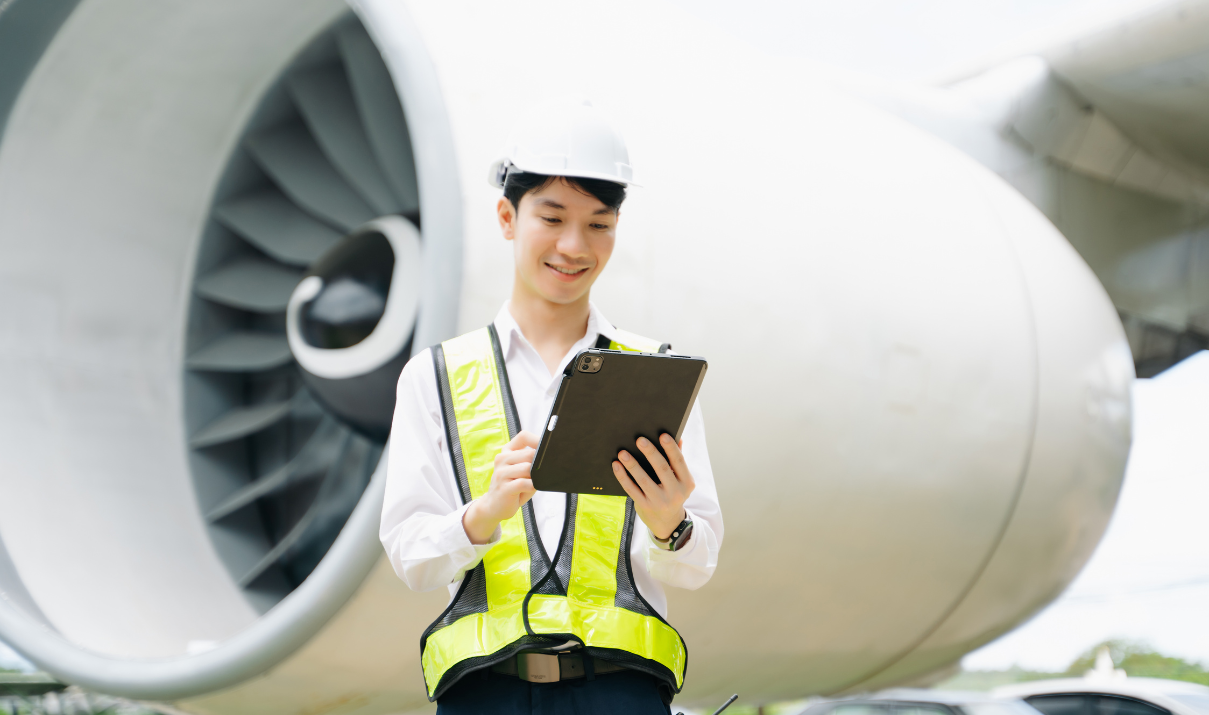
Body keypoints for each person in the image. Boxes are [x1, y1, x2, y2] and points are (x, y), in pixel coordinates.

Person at [379, 99, 723, 715]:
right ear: (508, 217)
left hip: (623, 691)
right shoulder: (434, 377)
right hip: (484, 692)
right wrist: (480, 516)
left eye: (599, 223)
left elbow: (697, 564)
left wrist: (672, 523)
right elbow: (409, 555)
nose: (574, 245)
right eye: (553, 216)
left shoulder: (655, 376)